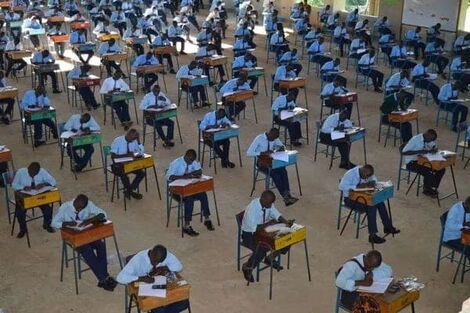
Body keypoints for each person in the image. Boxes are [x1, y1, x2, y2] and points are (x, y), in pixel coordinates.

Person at [51, 194, 118, 291]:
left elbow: (103, 214)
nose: (79, 211)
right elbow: (54, 223)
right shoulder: (65, 207)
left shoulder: (88, 205)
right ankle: (104, 278)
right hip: (74, 238)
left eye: (81, 209)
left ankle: (103, 278)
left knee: (101, 245)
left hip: (87, 234)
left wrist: (89, 220)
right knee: (87, 250)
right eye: (77, 208)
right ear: (75, 202)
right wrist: (67, 223)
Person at [116, 245, 189, 313]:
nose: (156, 264)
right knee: (158, 309)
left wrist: (164, 268)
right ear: (151, 253)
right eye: (154, 261)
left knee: (184, 302)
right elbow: (120, 278)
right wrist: (141, 278)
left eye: (159, 262)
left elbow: (179, 267)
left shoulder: (166, 255)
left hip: (161, 287)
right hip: (147, 290)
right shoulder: (138, 259)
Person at [240, 190, 293, 282]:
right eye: (269, 203)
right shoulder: (252, 209)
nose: (271, 205)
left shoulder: (268, 203)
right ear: (263, 199)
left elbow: (276, 213)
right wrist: (269, 223)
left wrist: (285, 222)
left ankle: (270, 258)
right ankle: (247, 267)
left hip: (264, 230)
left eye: (272, 203)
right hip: (250, 234)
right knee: (261, 250)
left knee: (287, 237)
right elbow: (255, 228)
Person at [339, 164, 400, 244]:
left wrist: (373, 182)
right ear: (363, 172)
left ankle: (387, 227)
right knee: (372, 206)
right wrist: (356, 187)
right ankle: (372, 235)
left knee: (379, 201)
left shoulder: (366, 171)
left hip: (362, 196)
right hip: (350, 199)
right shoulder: (350, 174)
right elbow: (341, 186)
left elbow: (373, 178)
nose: (367, 178)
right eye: (366, 177)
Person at [166, 149, 215, 236]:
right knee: (189, 199)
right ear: (186, 156)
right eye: (189, 160)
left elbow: (199, 171)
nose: (191, 163)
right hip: (176, 190)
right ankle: (186, 226)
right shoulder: (176, 163)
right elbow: (169, 176)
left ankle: (207, 219)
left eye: (192, 161)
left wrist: (192, 174)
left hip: (189, 187)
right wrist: (182, 177)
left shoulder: (193, 161)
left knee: (203, 194)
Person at [247, 128, 299, 206]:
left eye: (275, 138)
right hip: (261, 162)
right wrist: (262, 153)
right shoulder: (259, 138)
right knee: (275, 173)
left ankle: (288, 194)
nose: (273, 140)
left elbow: (282, 146)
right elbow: (249, 153)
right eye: (272, 138)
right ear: (269, 134)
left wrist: (281, 148)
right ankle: (285, 196)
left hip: (272, 160)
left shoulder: (275, 138)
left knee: (283, 170)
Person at [12, 162, 56, 238]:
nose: (32, 175)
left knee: (48, 209)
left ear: (38, 171)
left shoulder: (42, 171)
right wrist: (23, 187)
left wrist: (44, 184)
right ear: (28, 168)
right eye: (30, 173)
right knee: (20, 213)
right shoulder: (21, 172)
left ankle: (47, 224)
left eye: (34, 174)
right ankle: (23, 230)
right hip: (24, 197)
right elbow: (14, 185)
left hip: (38, 196)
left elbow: (53, 181)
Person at [402, 129, 445, 198]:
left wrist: (434, 149)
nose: (431, 141)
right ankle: (427, 189)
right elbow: (404, 152)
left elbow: (434, 146)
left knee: (441, 169)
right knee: (428, 170)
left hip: (422, 160)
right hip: (412, 163)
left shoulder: (428, 139)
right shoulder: (415, 140)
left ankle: (432, 186)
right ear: (427, 135)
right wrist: (420, 151)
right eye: (431, 139)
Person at [110, 129, 145, 199]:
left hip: (129, 164)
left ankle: (129, 190)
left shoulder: (134, 141)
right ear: (128, 135)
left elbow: (141, 153)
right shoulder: (117, 141)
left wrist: (138, 141)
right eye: (133, 138)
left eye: (135, 138)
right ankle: (131, 192)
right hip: (118, 165)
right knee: (124, 176)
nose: (133, 140)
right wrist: (127, 155)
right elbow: (113, 156)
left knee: (141, 173)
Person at [443, 197, 470, 262]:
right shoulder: (455, 210)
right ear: (467, 206)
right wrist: (463, 225)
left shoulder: (467, 209)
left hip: (465, 234)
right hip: (453, 238)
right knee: (469, 250)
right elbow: (450, 225)